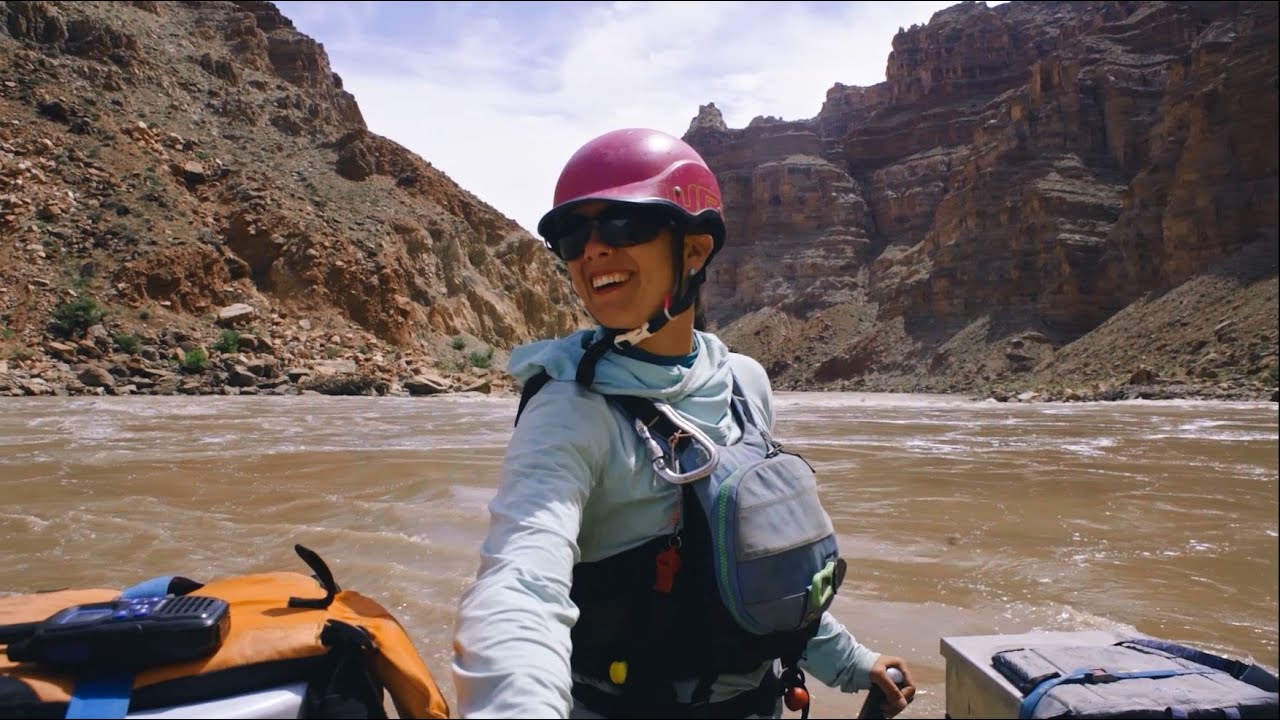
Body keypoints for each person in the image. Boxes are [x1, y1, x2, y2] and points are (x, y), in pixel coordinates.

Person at [450, 128, 916, 719]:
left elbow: (753, 569)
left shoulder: (744, 381)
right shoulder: (568, 410)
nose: (592, 250)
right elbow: (519, 586)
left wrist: (850, 661)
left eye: (625, 224)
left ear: (694, 250)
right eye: (572, 235)